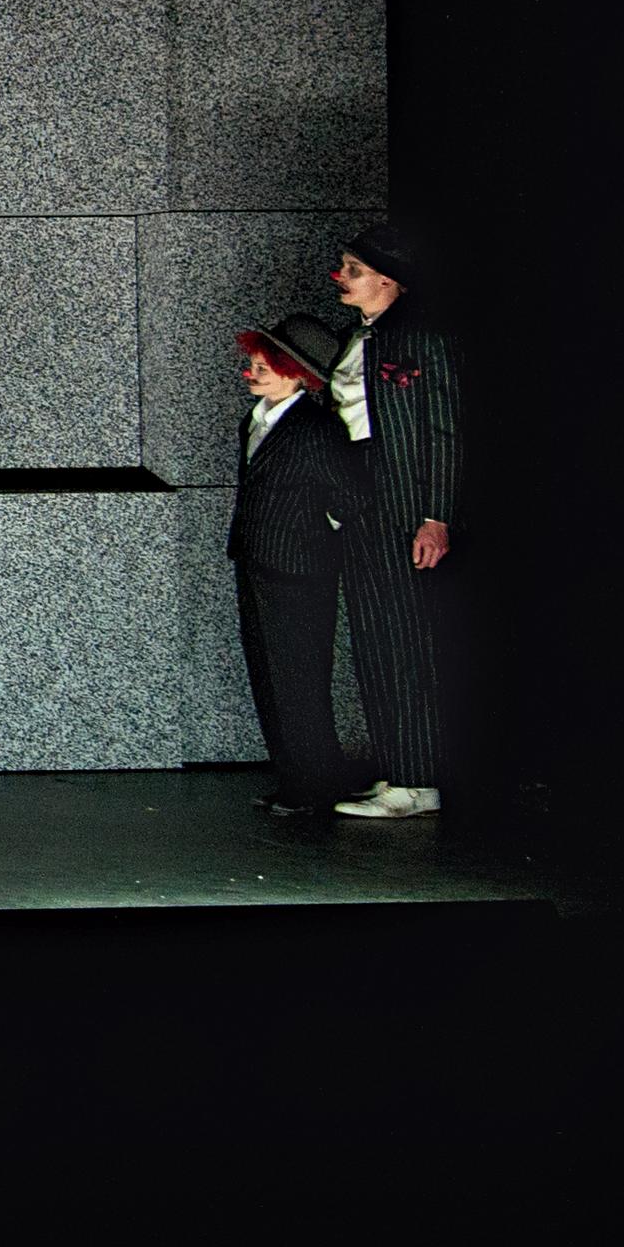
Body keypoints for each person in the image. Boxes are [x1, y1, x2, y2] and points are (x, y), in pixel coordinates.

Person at [323, 222, 462, 821]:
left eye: (353, 270)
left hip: (403, 511)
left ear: (389, 280)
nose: (342, 279)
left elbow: (447, 433)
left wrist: (437, 517)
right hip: (363, 510)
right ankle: (398, 774)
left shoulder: (423, 339)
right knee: (377, 642)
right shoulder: (357, 338)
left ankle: (417, 780)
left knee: (405, 642)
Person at [226, 311, 373, 817]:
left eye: (262, 367)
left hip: (297, 570)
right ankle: (296, 780)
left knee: (299, 680)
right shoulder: (256, 421)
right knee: (270, 677)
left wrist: (315, 538)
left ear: (296, 375)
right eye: (251, 363)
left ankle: (313, 784)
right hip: (258, 564)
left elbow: (352, 500)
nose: (250, 372)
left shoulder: (316, 430)